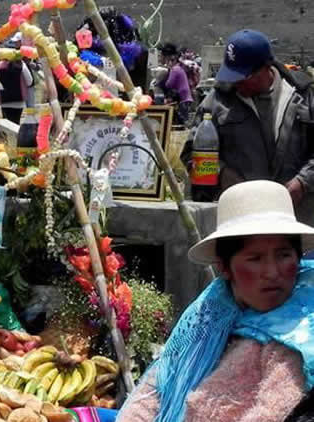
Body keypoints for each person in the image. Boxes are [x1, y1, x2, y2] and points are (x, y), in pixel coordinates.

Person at [117, 180, 314, 422]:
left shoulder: (299, 336)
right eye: (255, 258)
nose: (272, 272)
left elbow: (269, 413)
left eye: (284, 255)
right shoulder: (206, 317)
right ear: (224, 267)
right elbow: (153, 390)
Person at [183, 29, 314, 224]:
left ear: (266, 67)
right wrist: (222, 173)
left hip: (296, 218)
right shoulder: (217, 101)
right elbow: (190, 154)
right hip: (239, 217)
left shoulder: (303, 96)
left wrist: (303, 182)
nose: (236, 83)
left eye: (244, 77)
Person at [158, 43, 193, 125]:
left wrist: (161, 79)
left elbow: (168, 85)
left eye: (161, 56)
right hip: (185, 99)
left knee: (181, 123)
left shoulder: (175, 69)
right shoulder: (179, 68)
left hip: (183, 101)